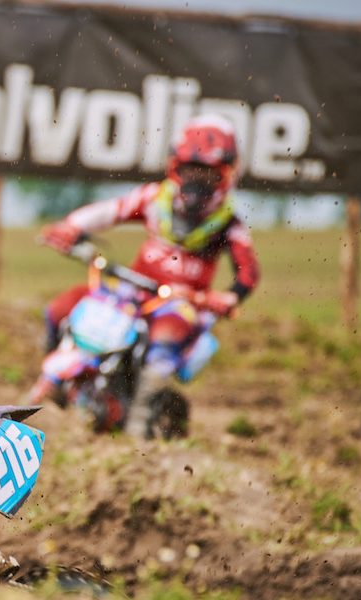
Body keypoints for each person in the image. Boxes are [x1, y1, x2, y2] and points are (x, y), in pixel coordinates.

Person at [38, 114, 261, 436]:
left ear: (225, 173)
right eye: (191, 170)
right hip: (131, 289)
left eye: (207, 172)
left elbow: (248, 271)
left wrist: (229, 297)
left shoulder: (229, 221)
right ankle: (58, 385)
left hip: (182, 302)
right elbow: (110, 211)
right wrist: (71, 226)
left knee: (163, 343)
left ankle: (139, 424)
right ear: (176, 167)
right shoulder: (156, 198)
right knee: (62, 308)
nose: (197, 180)